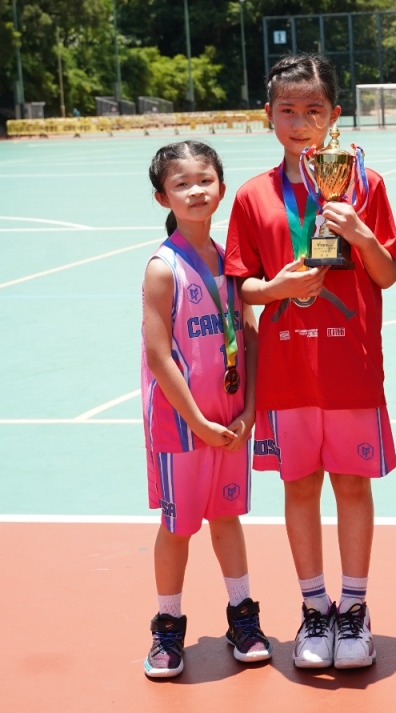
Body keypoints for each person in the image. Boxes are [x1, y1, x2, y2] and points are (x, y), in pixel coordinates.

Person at [225, 54, 396, 670]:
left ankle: (354, 608)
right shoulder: (252, 196)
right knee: (299, 487)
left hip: (350, 366)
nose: (300, 123)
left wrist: (359, 232)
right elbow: (242, 288)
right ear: (268, 115)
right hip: (287, 371)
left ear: (335, 115)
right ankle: (313, 607)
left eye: (313, 110)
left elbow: (386, 274)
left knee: (351, 485)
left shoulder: (365, 186)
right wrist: (278, 288)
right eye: (288, 110)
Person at [140, 140, 269, 679]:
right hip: (183, 423)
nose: (195, 191)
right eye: (181, 184)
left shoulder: (233, 263)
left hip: (231, 418)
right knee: (178, 527)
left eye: (205, 180)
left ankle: (243, 616)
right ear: (162, 197)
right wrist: (196, 420)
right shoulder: (163, 268)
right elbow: (158, 354)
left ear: (221, 187)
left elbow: (250, 335)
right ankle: (167, 626)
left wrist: (250, 409)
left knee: (227, 517)